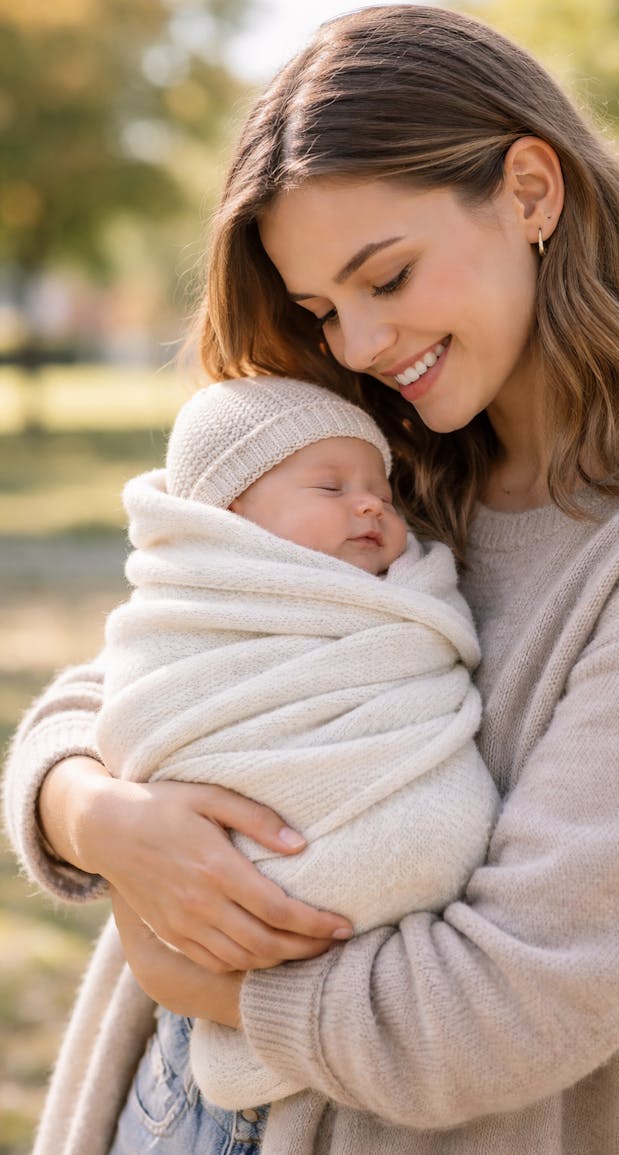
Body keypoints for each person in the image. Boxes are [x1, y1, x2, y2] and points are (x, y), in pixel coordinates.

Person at [4, 5, 619, 1154]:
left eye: (388, 276)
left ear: (529, 192)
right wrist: (96, 815)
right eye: (321, 309)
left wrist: (204, 971)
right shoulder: (373, 467)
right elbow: (131, 668)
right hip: (159, 1106)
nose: (357, 346)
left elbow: (510, 1006)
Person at [91, 373, 498, 1119]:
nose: (370, 502)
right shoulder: (202, 603)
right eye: (330, 486)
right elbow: (144, 709)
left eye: (380, 486)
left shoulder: (407, 594)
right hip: (234, 944)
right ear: (231, 516)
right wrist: (80, 808)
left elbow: (416, 669)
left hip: (364, 1014)